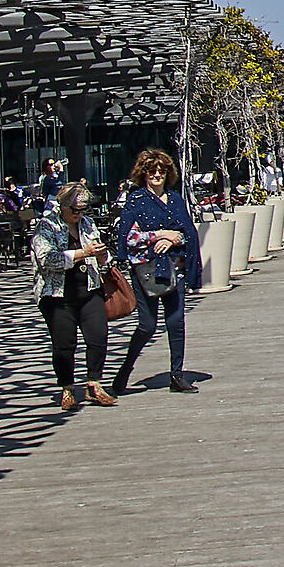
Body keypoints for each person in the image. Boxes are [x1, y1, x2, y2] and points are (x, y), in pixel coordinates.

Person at [111, 149, 200, 395]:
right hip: (145, 271)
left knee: (176, 321)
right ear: (144, 174)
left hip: (174, 267)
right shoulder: (136, 200)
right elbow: (128, 238)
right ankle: (123, 373)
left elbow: (189, 232)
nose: (157, 175)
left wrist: (175, 239)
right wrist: (160, 235)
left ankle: (177, 374)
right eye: (152, 171)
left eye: (162, 171)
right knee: (147, 326)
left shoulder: (175, 199)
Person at [33, 182, 115, 411]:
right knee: (64, 344)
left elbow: (103, 258)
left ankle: (94, 383)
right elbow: (47, 260)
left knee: (98, 336)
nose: (78, 215)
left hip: (88, 288)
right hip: (58, 295)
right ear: (63, 206)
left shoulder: (87, 224)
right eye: (74, 210)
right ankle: (67, 387)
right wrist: (81, 254)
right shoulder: (47, 226)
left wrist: (101, 257)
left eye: (82, 210)